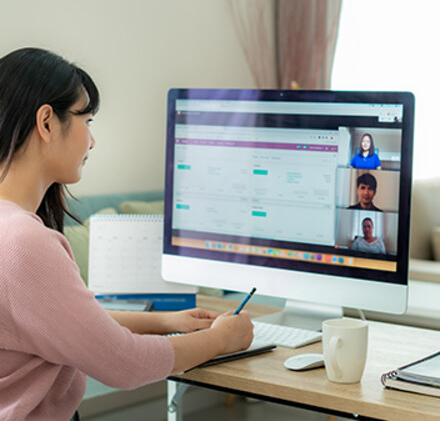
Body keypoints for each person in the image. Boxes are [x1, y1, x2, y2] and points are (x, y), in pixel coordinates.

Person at [0, 47, 253, 421]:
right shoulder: (25, 242)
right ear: (47, 122)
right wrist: (220, 340)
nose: (91, 139)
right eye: (87, 119)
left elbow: (63, 323)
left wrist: (164, 322)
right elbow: (125, 363)